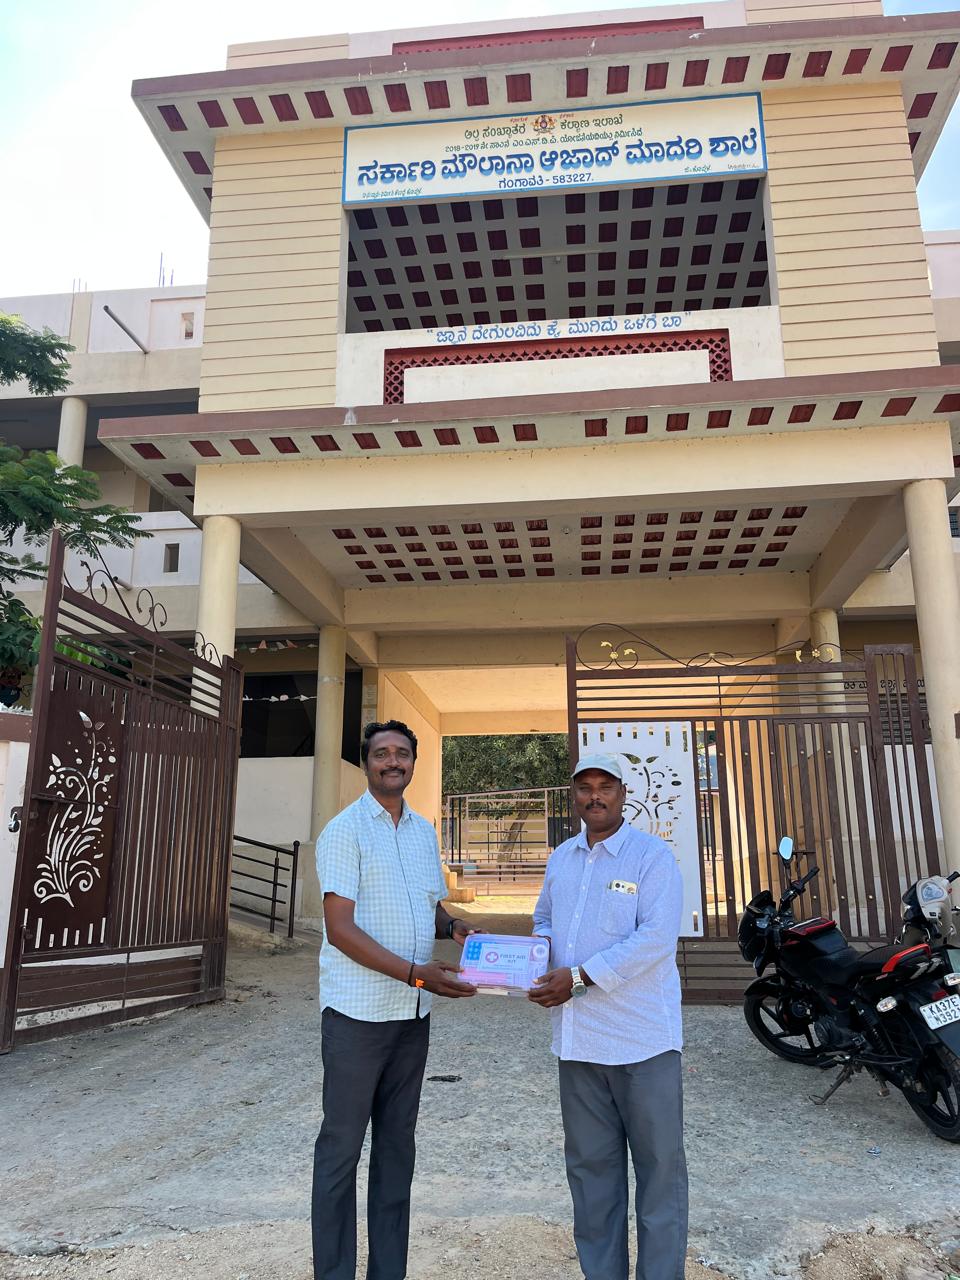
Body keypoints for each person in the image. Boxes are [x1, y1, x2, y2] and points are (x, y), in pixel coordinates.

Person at [312, 719, 476, 1280]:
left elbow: (428, 905)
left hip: (411, 1019)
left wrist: (454, 928)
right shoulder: (344, 831)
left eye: (402, 753)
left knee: (396, 1151)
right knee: (341, 1150)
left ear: (412, 763)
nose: (392, 761)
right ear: (366, 762)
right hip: (358, 1017)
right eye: (381, 753)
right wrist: (416, 975)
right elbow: (340, 930)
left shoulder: (423, 832)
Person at [529, 752, 687, 1280]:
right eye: (584, 787)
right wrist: (532, 958)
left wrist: (578, 977)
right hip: (579, 1043)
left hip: (643, 1042)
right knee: (592, 1176)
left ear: (623, 793)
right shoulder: (562, 859)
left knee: (660, 1174)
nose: (594, 796)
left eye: (605, 786)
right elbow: (544, 919)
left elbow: (656, 939)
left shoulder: (651, 857)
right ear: (573, 795)